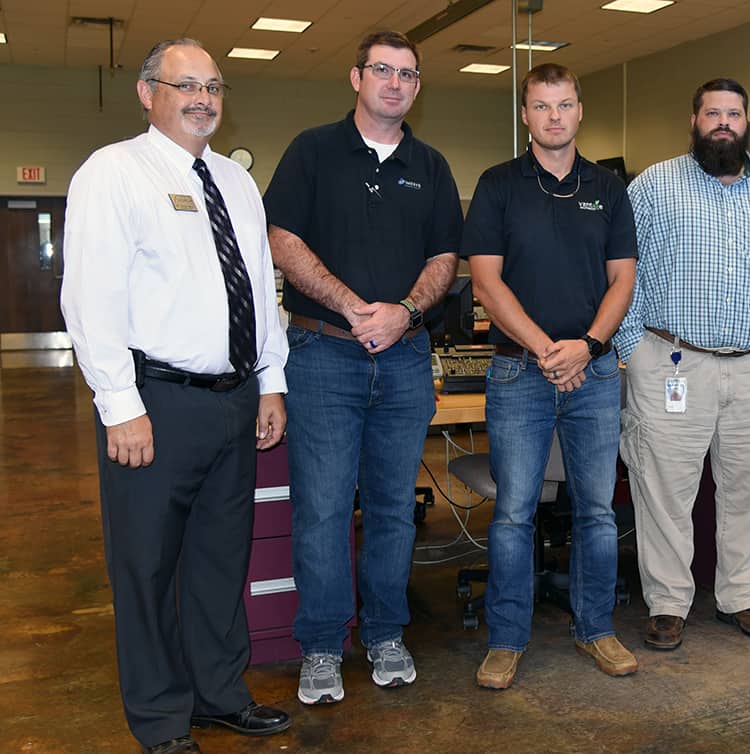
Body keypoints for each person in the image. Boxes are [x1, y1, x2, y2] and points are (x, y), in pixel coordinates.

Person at [61, 38, 290, 754]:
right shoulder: (114, 172)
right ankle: (161, 720)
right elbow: (89, 296)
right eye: (185, 85)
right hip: (157, 403)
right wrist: (118, 402)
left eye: (213, 86)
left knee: (223, 561)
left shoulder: (237, 182)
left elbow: (258, 286)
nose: (202, 99)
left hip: (234, 399)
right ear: (147, 91)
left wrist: (270, 382)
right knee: (148, 566)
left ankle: (219, 695)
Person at [263, 30, 463, 703]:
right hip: (323, 356)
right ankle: (321, 645)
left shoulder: (430, 165)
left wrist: (404, 311)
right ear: (357, 78)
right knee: (321, 509)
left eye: (408, 73)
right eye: (383, 70)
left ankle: (384, 633)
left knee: (391, 510)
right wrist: (355, 307)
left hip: (404, 360)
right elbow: (282, 240)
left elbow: (445, 259)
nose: (395, 83)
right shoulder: (312, 151)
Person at [614, 78, 750, 650]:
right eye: (713, 113)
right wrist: (632, 349)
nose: (724, 123)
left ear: (747, 121)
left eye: (734, 113)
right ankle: (667, 603)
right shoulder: (653, 188)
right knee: (662, 490)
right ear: (694, 120)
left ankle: (742, 596)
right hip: (672, 363)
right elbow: (623, 276)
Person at [461, 63, 639, 690]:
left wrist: (587, 347)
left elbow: (623, 279)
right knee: (513, 514)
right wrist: (547, 350)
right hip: (520, 373)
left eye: (565, 105)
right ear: (526, 115)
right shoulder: (498, 184)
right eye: (541, 106)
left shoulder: (609, 189)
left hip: (593, 373)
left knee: (595, 510)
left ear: (580, 111)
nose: (554, 117)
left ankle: (597, 629)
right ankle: (506, 640)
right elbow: (486, 281)